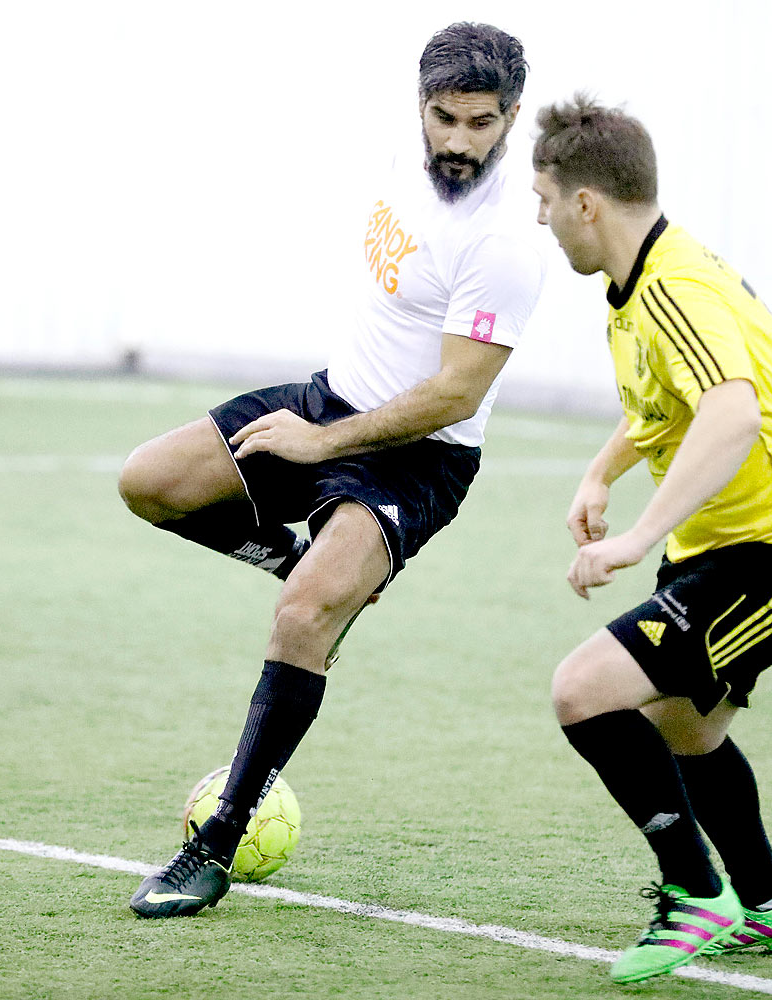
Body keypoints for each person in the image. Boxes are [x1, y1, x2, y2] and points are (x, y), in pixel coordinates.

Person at [119, 22, 546, 919]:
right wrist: (317, 426)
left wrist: (320, 447)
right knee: (148, 481)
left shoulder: (506, 238)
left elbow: (456, 395)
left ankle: (214, 843)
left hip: (418, 457)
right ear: (419, 107)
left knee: (304, 614)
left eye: (481, 123)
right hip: (327, 399)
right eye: (444, 118)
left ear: (512, 116)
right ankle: (297, 560)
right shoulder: (408, 156)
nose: (460, 141)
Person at [531, 96, 772, 984]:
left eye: (545, 198)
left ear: (586, 204)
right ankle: (764, 903)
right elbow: (665, 404)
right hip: (729, 546)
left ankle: (694, 894)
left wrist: (637, 535)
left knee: (584, 691)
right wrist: (602, 471)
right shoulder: (640, 280)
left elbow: (732, 411)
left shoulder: (676, 287)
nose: (541, 217)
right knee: (679, 717)